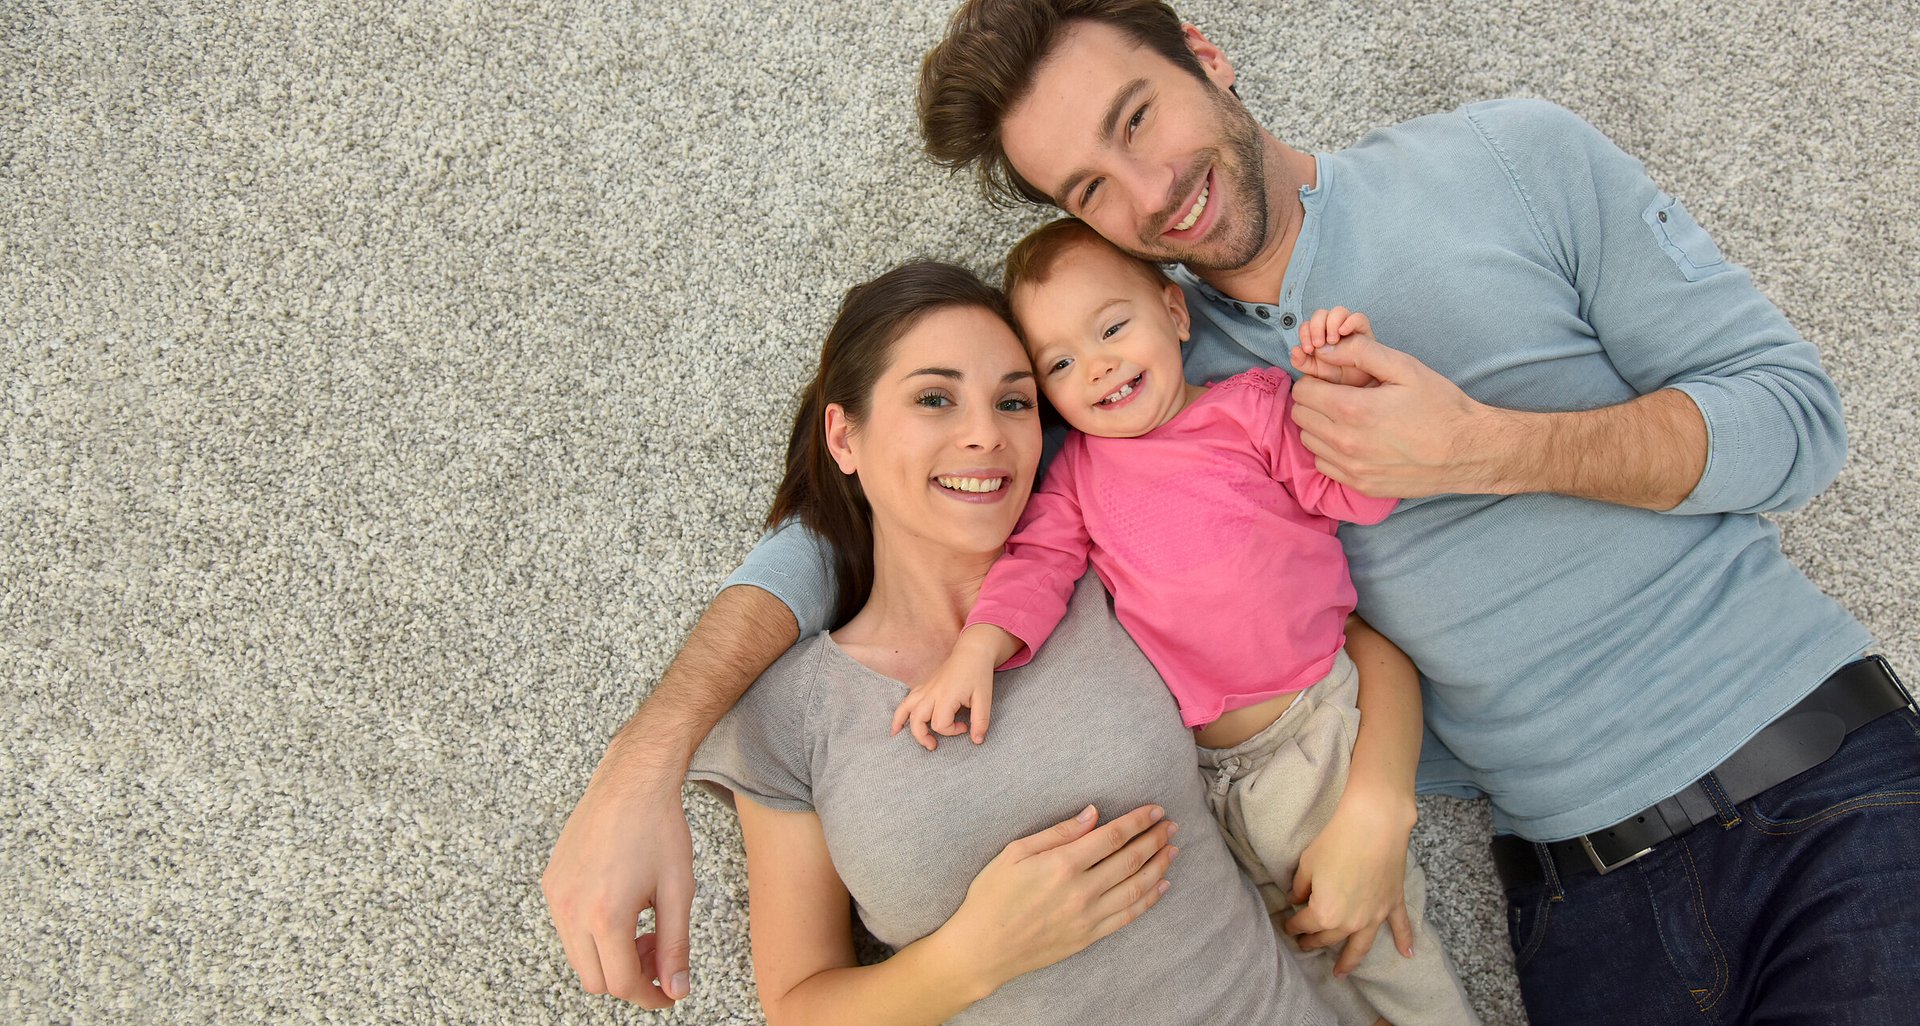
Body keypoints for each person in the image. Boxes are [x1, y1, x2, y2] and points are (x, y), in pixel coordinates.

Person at [544, 2, 1919, 1022]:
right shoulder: (1132, 376)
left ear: (1206, 54)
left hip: (1820, 784)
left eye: (1136, 119)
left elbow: (1797, 423)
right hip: (1578, 901)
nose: (1148, 193)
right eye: (1090, 187)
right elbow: (873, 509)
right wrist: (644, 765)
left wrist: (1486, 446)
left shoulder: (1510, 159)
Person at [683, 259, 1333, 1024]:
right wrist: (971, 959)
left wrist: (1379, 808)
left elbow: (1324, 638)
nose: (985, 435)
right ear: (843, 436)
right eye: (935, 398)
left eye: (1014, 401)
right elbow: (799, 1007)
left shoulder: (1105, 565)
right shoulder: (791, 711)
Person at [889, 219, 1476, 1026]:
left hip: (1311, 735)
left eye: (1111, 328)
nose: (1097, 366)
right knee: (1304, 975)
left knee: (1379, 949)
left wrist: (1349, 390)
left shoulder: (1253, 411)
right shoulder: (1075, 475)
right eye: (1060, 364)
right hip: (1203, 783)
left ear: (1174, 312)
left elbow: (1358, 488)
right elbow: (1036, 567)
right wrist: (977, 651)